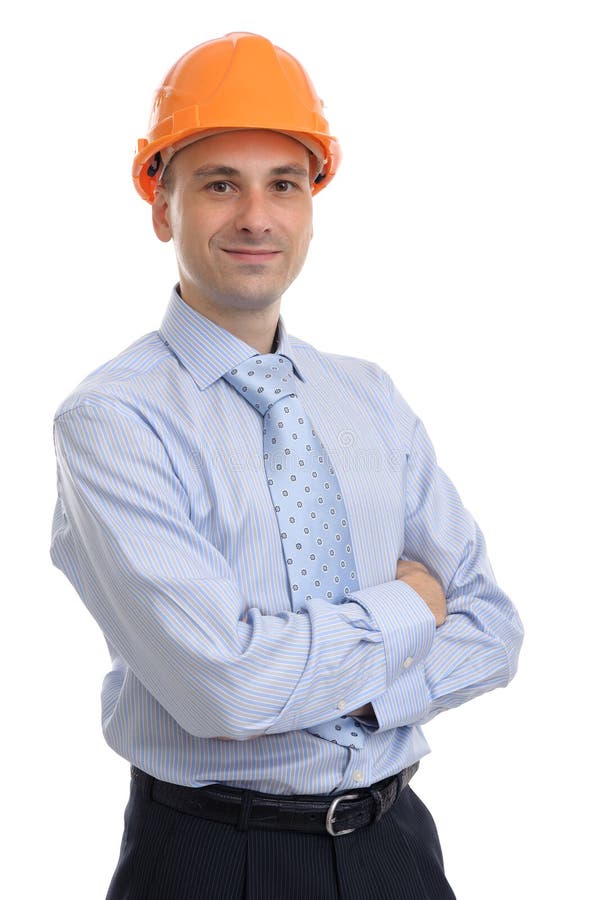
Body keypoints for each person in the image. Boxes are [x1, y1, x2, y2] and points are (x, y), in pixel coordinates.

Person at [49, 32, 524, 900]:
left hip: (396, 849)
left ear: (311, 204)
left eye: (284, 185)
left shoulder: (369, 396)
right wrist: (406, 609)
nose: (256, 217)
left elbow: (492, 630)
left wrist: (337, 693)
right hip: (209, 857)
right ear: (162, 207)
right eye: (219, 184)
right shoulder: (113, 421)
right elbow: (223, 692)